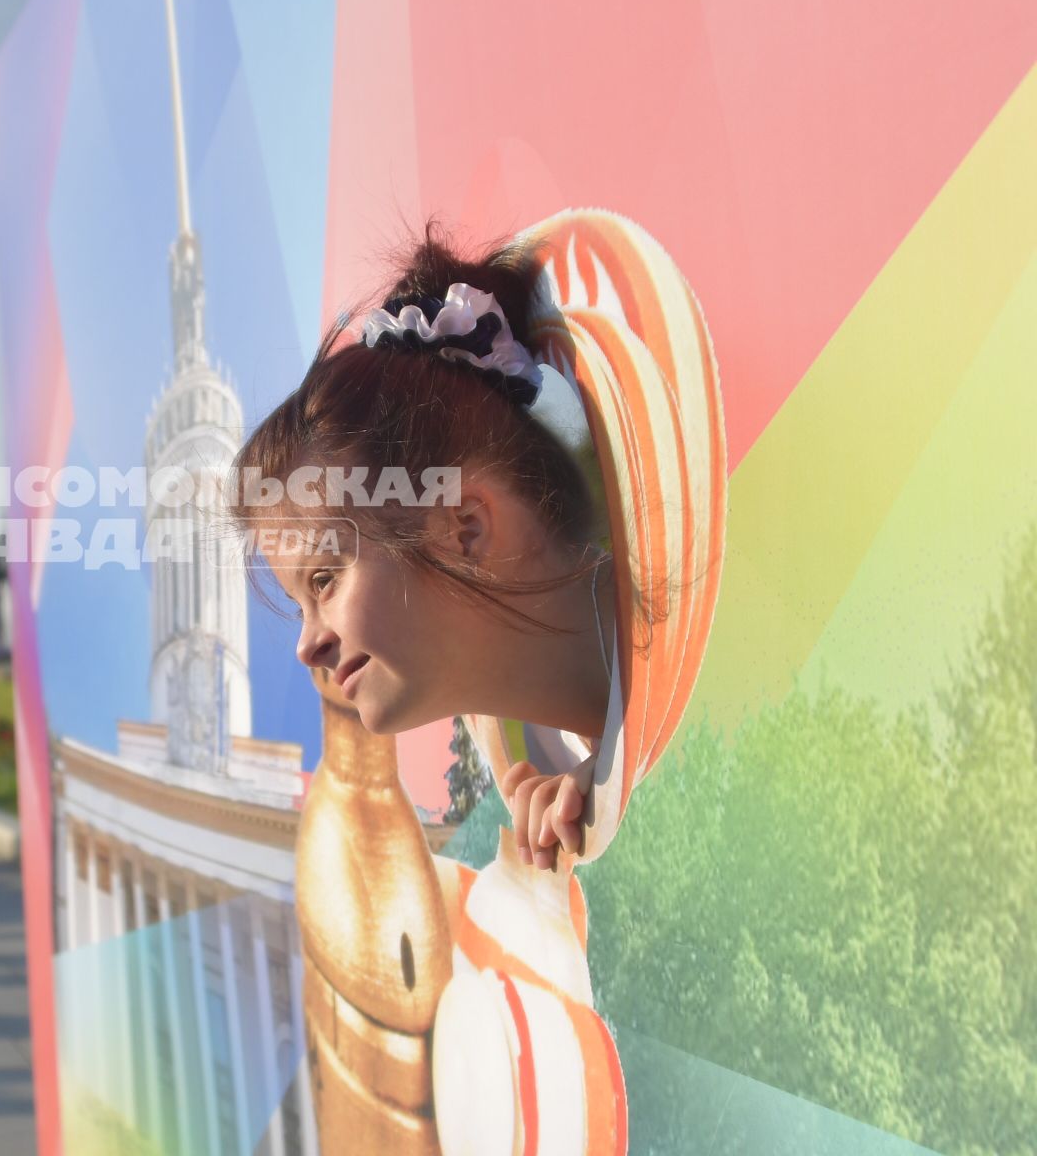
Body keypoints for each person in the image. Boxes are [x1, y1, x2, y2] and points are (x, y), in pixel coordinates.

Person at [234, 221, 723, 872]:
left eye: (323, 580)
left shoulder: (730, 642)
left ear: (465, 527)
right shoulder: (558, 770)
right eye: (299, 604)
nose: (306, 645)